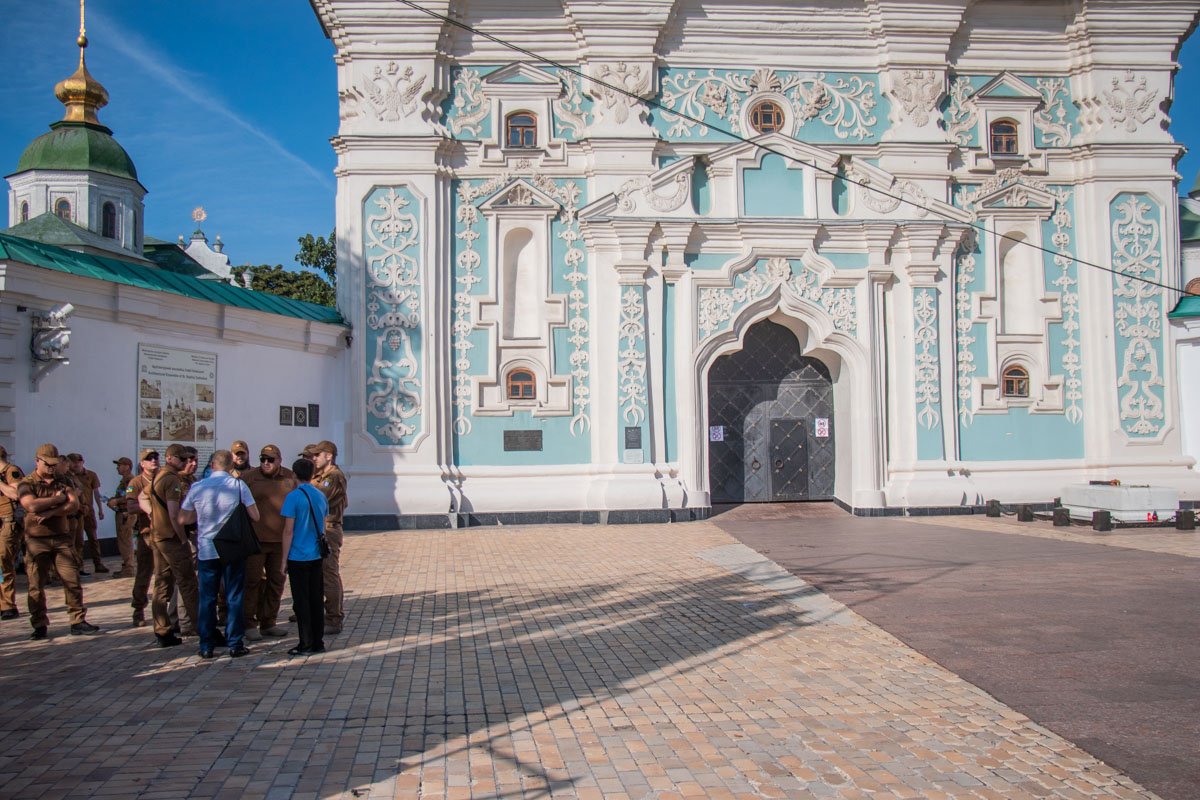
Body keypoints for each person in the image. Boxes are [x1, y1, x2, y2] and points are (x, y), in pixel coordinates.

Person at [179, 449, 259, 659]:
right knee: (234, 596)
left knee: (207, 598)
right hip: (232, 548)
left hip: (207, 548)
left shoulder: (197, 487)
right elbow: (255, 515)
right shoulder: (238, 486)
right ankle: (235, 643)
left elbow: (183, 519)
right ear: (231, 467)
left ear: (212, 465)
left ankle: (206, 644)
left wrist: (202, 515)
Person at [17, 444, 99, 638]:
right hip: (37, 540)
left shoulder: (63, 480)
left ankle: (77, 620)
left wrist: (51, 511)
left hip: (61, 538)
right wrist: (57, 499)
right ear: (38, 461)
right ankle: (39, 624)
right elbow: (30, 505)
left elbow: (74, 504)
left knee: (72, 580)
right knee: (36, 585)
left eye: (54, 464)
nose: (51, 468)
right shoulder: (27, 483)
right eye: (48, 464)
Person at [139, 443, 198, 647]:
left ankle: (162, 630)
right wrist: (182, 537)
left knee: (162, 585)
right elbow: (174, 514)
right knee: (188, 583)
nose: (185, 462)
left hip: (158, 536)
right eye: (181, 459)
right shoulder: (171, 478)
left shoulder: (159, 476)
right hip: (171, 538)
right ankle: (201, 627)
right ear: (170, 458)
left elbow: (144, 497)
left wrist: (154, 515)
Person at [240, 444, 296, 641]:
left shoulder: (290, 478)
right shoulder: (249, 477)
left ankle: (269, 622)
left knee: (276, 581)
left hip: (280, 541)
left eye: (270, 460)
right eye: (263, 459)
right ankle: (248, 623)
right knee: (252, 581)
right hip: (255, 541)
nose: (266, 463)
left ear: (279, 460)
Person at [281, 457, 327, 656]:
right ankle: (318, 641)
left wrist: (283, 559)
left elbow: (288, 531)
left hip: (298, 555)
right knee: (316, 599)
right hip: (316, 553)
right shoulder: (320, 495)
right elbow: (323, 522)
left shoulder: (293, 497)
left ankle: (305, 643)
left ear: (294, 475)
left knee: (301, 601)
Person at [312, 440, 347, 634]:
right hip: (322, 527)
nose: (314, 458)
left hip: (329, 529)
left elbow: (319, 498)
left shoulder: (333, 477)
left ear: (329, 456)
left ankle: (334, 617)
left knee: (329, 573)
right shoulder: (322, 476)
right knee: (323, 573)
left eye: (318, 455)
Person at [125, 450, 158, 626]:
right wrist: (152, 506)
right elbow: (131, 507)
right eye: (149, 459)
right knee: (144, 573)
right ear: (142, 463)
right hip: (147, 533)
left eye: (155, 458)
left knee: (166, 575)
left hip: (165, 532)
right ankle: (138, 608)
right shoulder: (136, 482)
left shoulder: (163, 478)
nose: (153, 461)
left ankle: (163, 610)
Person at [67, 453, 108, 574]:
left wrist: (100, 509)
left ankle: (98, 563)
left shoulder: (91, 475)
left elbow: (96, 493)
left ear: (82, 462)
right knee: (78, 541)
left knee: (93, 538)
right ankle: (79, 566)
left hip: (89, 511)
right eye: (73, 462)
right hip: (76, 512)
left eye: (78, 462)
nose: (76, 464)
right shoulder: (67, 476)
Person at [0, 446, 25, 621]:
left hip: (8, 522)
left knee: (4, 562)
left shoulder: (11, 471)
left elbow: (16, 494)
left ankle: (8, 605)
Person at [107, 457, 135, 577]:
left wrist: (117, 501)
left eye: (119, 465)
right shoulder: (124, 481)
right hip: (121, 512)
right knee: (123, 540)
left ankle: (128, 568)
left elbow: (131, 496)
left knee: (125, 541)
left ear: (127, 466)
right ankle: (126, 566)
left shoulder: (130, 480)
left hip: (126, 514)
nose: (117, 468)